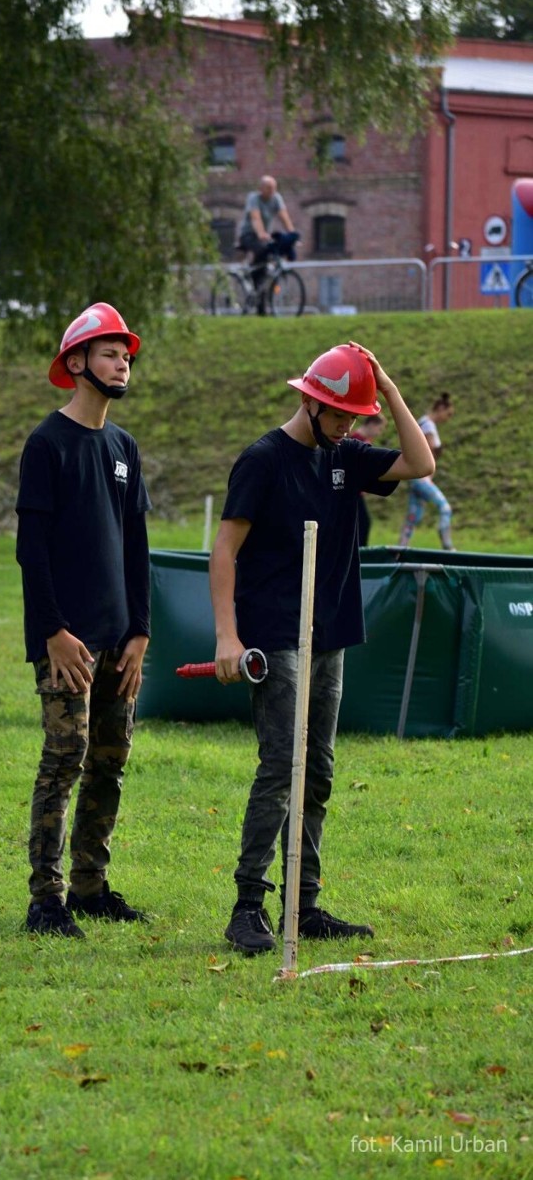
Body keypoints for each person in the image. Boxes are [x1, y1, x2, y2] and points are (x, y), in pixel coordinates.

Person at [209, 343, 434, 956]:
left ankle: (303, 904)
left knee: (320, 770)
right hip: (275, 634)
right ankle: (247, 907)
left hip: (330, 635)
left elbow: (421, 465)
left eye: (355, 417)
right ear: (308, 402)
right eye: (338, 415)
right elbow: (224, 551)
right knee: (282, 765)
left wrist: (386, 388)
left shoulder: (348, 456)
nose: (348, 427)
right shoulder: (262, 460)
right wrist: (228, 636)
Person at [16, 302, 152, 938]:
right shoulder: (46, 444)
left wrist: (141, 632)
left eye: (125, 354)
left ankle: (92, 887)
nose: (122, 361)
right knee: (64, 759)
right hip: (65, 642)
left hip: (118, 640)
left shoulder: (125, 448)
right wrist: (52, 633)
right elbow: (31, 552)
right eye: (108, 353)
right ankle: (46, 899)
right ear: (76, 363)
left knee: (110, 759)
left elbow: (136, 547)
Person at [398, 393, 455, 551]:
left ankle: (400, 549)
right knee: (445, 508)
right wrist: (438, 451)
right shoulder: (428, 425)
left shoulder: (422, 422)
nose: (447, 418)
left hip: (416, 476)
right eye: (448, 414)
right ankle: (447, 544)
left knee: (413, 517)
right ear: (441, 409)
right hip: (422, 478)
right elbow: (428, 451)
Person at [237, 175, 300, 314]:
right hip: (249, 235)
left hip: (263, 236)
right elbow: (255, 218)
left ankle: (261, 308)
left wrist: (292, 235)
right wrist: (261, 233)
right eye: (268, 188)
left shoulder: (276, 198)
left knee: (265, 271)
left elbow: (284, 217)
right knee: (262, 255)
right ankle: (253, 280)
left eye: (274, 188)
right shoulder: (254, 198)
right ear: (261, 188)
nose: (272, 191)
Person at [351, 413, 388, 545]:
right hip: (352, 492)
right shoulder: (355, 440)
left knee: (362, 524)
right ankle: (361, 556)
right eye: (379, 428)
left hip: (358, 491)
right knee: (363, 524)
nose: (379, 433)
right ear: (372, 424)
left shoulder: (365, 441)